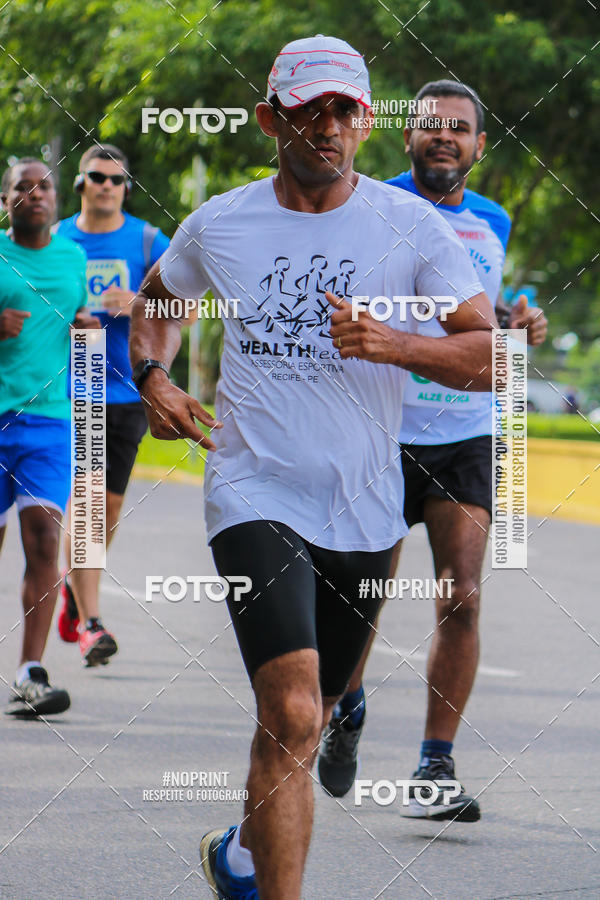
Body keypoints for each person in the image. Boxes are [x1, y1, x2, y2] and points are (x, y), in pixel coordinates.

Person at [130, 36, 497, 900]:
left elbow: (488, 355)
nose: (327, 126)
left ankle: (241, 856)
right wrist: (154, 376)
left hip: (365, 510)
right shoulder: (221, 222)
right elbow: (158, 306)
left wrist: (395, 343)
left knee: (310, 720)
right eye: (308, 109)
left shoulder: (412, 227)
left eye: (344, 110)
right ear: (271, 119)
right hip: (254, 487)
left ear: (366, 122)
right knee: (292, 711)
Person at [318, 80, 548, 821]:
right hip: (379, 427)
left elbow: (479, 311)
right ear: (406, 138)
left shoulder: (494, 221)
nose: (445, 137)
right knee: (360, 598)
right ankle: (346, 707)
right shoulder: (367, 205)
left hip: (466, 433)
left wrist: (518, 320)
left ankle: (434, 766)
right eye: (431, 127)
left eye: (460, 128)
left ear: (481, 146)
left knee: (462, 595)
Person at [55, 144, 170, 667]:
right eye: (97, 177)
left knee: (108, 509)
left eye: (117, 180)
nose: (107, 186)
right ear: (81, 182)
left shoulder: (147, 239)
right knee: (86, 504)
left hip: (125, 391)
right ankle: (91, 622)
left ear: (126, 187)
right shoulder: (56, 239)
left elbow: (187, 308)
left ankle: (74, 593)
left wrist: (140, 304)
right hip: (72, 386)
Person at [0, 157, 98, 717]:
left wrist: (83, 324)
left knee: (43, 541)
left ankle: (30, 673)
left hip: (49, 420)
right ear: (6, 199)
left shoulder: (73, 257)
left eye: (45, 187)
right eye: (22, 187)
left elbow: (72, 312)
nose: (35, 195)